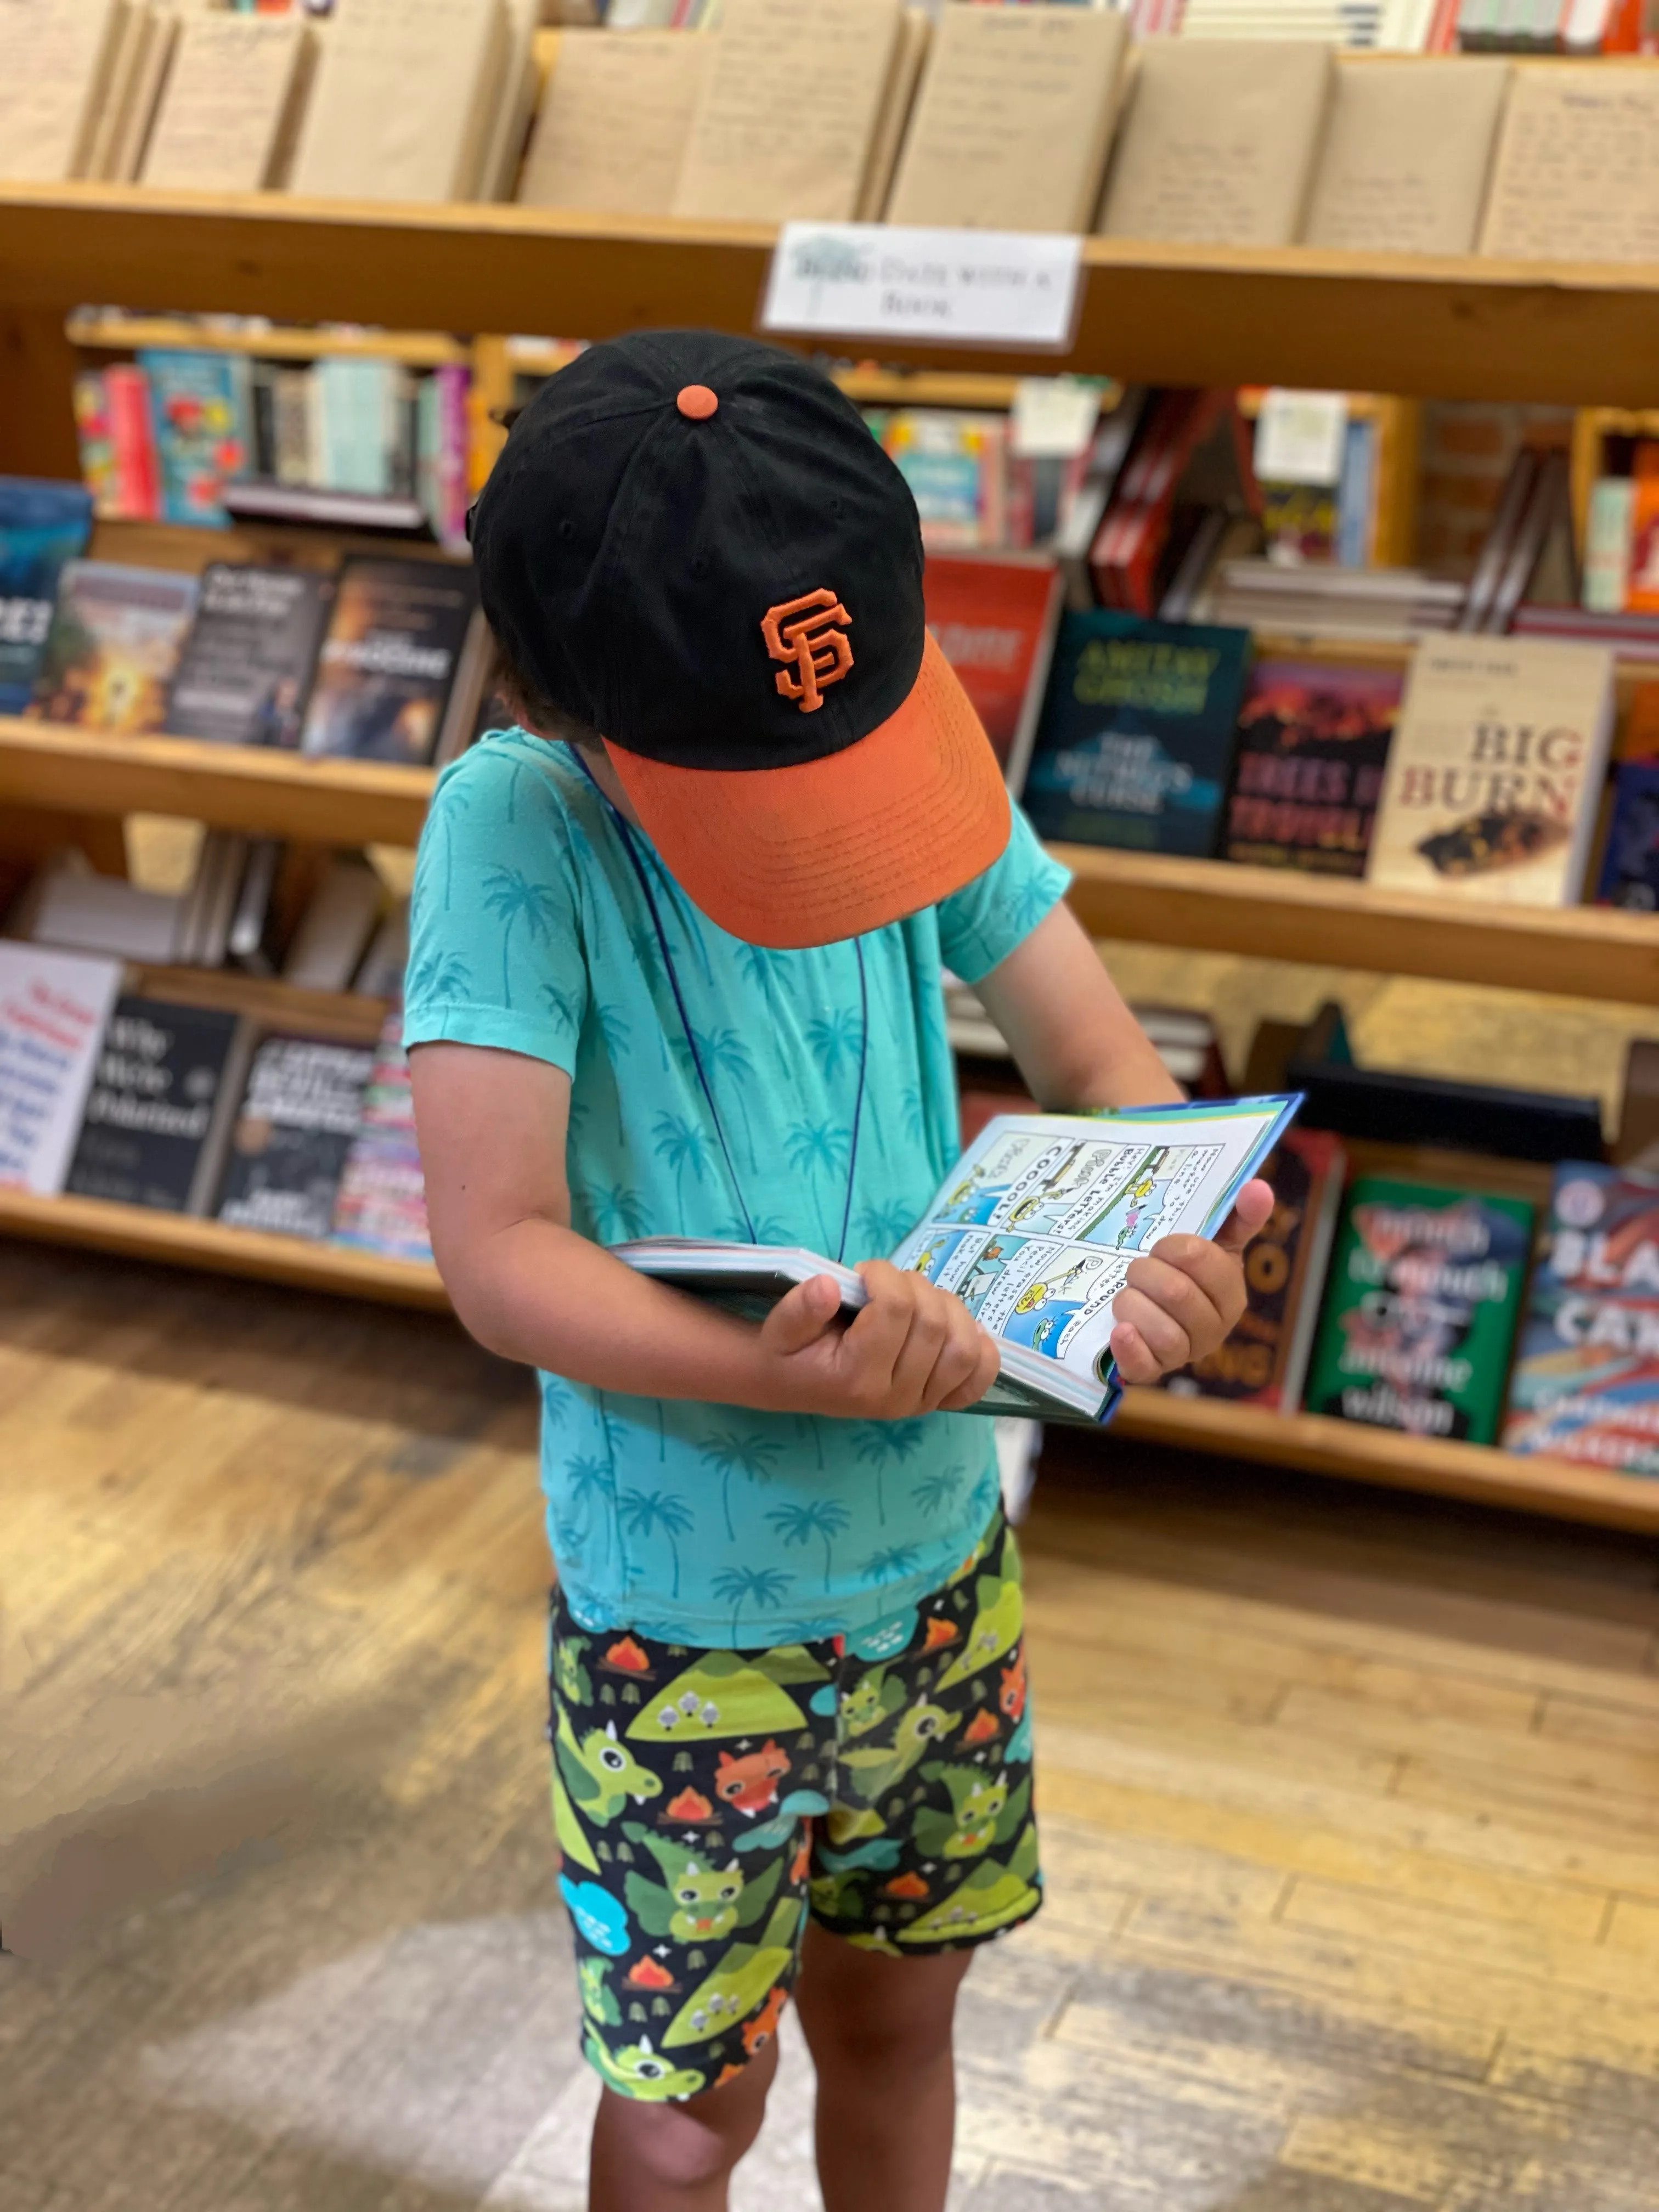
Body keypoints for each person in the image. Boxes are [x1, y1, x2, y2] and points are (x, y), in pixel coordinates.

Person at [404, 330, 1269, 2212]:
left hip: (944, 1572)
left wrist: (1163, 1232)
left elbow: (1106, 1068)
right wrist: (789, 1374)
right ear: (572, 694)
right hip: (678, 1621)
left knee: (902, 2025)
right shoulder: (515, 823)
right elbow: (497, 1255)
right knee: (689, 2109)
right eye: (752, 786)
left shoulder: (889, 708)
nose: (820, 820)